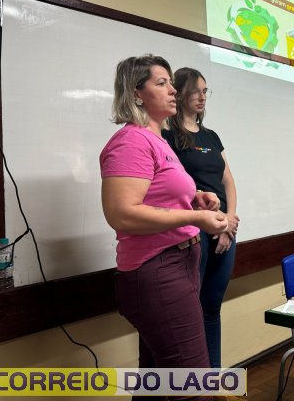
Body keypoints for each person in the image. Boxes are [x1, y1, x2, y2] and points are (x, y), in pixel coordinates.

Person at [99, 55, 228, 400]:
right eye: (162, 83)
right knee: (193, 388)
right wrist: (194, 218)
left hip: (178, 265)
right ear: (136, 93)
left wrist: (196, 199)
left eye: (172, 83)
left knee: (155, 382)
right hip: (158, 270)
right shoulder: (131, 141)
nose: (174, 90)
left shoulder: (158, 140)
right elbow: (122, 214)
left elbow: (158, 195)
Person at [163, 67, 239, 369]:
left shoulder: (211, 136)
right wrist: (214, 219)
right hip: (193, 231)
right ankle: (195, 381)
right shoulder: (167, 136)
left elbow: (228, 181)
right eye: (196, 90)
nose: (202, 97)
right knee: (192, 310)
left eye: (205, 91)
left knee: (212, 307)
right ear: (180, 92)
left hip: (224, 229)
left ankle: (213, 378)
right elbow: (174, 188)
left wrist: (229, 222)